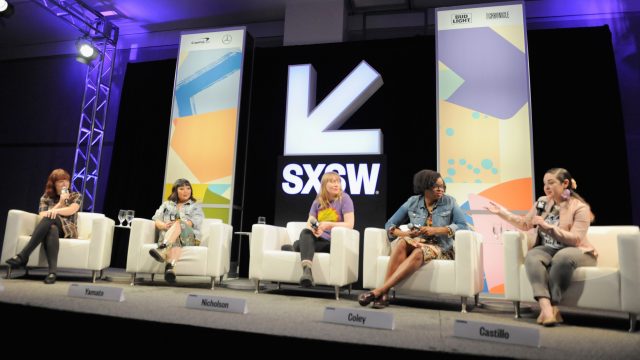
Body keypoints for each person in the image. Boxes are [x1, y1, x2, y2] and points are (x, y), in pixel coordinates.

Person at [486, 168, 595, 326]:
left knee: (561, 258)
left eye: (551, 183)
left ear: (565, 183)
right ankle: (547, 310)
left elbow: (576, 239)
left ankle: (553, 305)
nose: (546, 187)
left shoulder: (579, 207)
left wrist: (548, 227)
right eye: (544, 184)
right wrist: (502, 213)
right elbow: (525, 223)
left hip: (577, 250)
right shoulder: (542, 202)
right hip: (548, 249)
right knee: (532, 256)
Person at [358, 169, 468, 309]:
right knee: (403, 243)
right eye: (437, 186)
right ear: (425, 187)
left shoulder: (449, 202)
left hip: (441, 247)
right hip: (417, 242)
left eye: (443, 186)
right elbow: (389, 225)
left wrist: (437, 230)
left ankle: (380, 291)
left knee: (418, 252)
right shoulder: (412, 202)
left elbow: (463, 226)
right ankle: (383, 293)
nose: (441, 190)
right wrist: (407, 235)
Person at [5, 169, 82, 284]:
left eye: (67, 181)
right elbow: (42, 215)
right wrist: (60, 203)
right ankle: (52, 273)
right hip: (51, 226)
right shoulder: (46, 197)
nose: (65, 184)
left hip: (67, 229)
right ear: (54, 184)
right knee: (52, 229)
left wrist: (57, 208)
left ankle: (24, 255)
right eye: (61, 181)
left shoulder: (75, 195)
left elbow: (71, 210)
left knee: (51, 216)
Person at [282, 171, 355, 287]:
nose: (336, 185)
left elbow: (350, 224)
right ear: (324, 185)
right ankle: (307, 272)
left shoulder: (345, 199)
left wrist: (328, 225)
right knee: (305, 232)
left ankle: (296, 247)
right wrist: (315, 229)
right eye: (332, 182)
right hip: (318, 239)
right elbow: (310, 222)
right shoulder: (317, 202)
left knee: (298, 244)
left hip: (333, 242)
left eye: (338, 182)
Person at [148, 178, 204, 283]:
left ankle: (162, 248)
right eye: (182, 189)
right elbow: (156, 220)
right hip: (170, 237)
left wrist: (177, 224)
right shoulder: (166, 205)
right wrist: (165, 225)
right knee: (175, 241)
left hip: (188, 238)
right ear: (175, 191)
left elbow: (192, 223)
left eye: (188, 188)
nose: (186, 191)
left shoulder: (195, 207)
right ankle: (170, 268)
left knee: (179, 223)